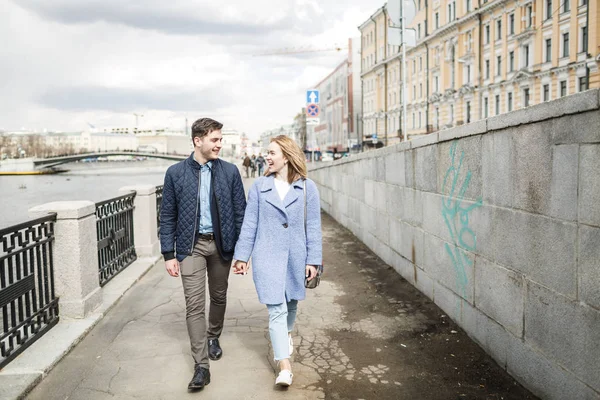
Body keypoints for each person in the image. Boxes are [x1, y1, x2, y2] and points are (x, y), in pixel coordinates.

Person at [160, 117, 247, 391]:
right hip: (190, 247)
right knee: (194, 305)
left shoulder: (230, 172)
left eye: (221, 139)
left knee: (219, 295)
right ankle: (201, 366)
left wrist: (243, 252)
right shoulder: (175, 173)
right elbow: (168, 215)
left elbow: (240, 213)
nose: (220, 144)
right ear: (198, 140)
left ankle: (213, 336)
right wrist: (168, 253)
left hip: (221, 245)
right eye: (215, 139)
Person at [232, 135, 323, 387]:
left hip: (296, 255)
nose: (267, 157)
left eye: (272, 153)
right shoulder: (259, 187)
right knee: (276, 308)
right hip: (267, 255)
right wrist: (242, 255)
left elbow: (313, 226)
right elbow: (250, 224)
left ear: (286, 156)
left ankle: (287, 333)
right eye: (267, 153)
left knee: (291, 302)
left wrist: (313, 260)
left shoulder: (307, 188)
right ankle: (284, 365)